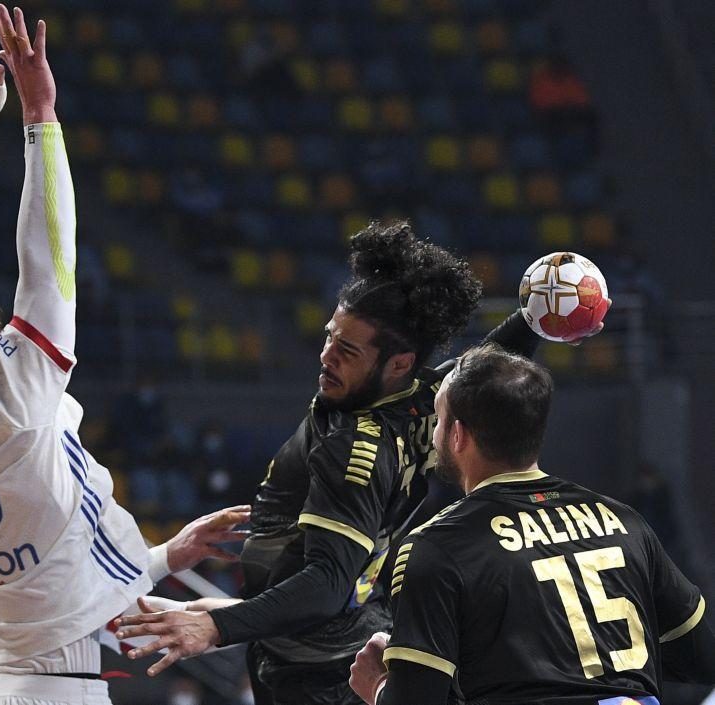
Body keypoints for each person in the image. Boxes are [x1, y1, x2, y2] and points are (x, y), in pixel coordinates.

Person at [0, 9, 247, 705]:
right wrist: (39, 114)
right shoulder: (15, 411)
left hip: (8, 683)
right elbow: (48, 264)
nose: (7, 345)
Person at [115, 222, 575, 704]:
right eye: (330, 337)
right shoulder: (421, 401)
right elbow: (484, 365)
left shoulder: (356, 449)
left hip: (318, 676)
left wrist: (215, 625)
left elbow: (325, 586)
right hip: (338, 637)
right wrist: (535, 317)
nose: (326, 356)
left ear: (399, 363)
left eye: (347, 351)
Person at [348, 344, 715, 705]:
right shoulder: (625, 521)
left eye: (439, 420)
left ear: (458, 434)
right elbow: (702, 658)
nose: (433, 433)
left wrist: (378, 686)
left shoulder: (436, 545)